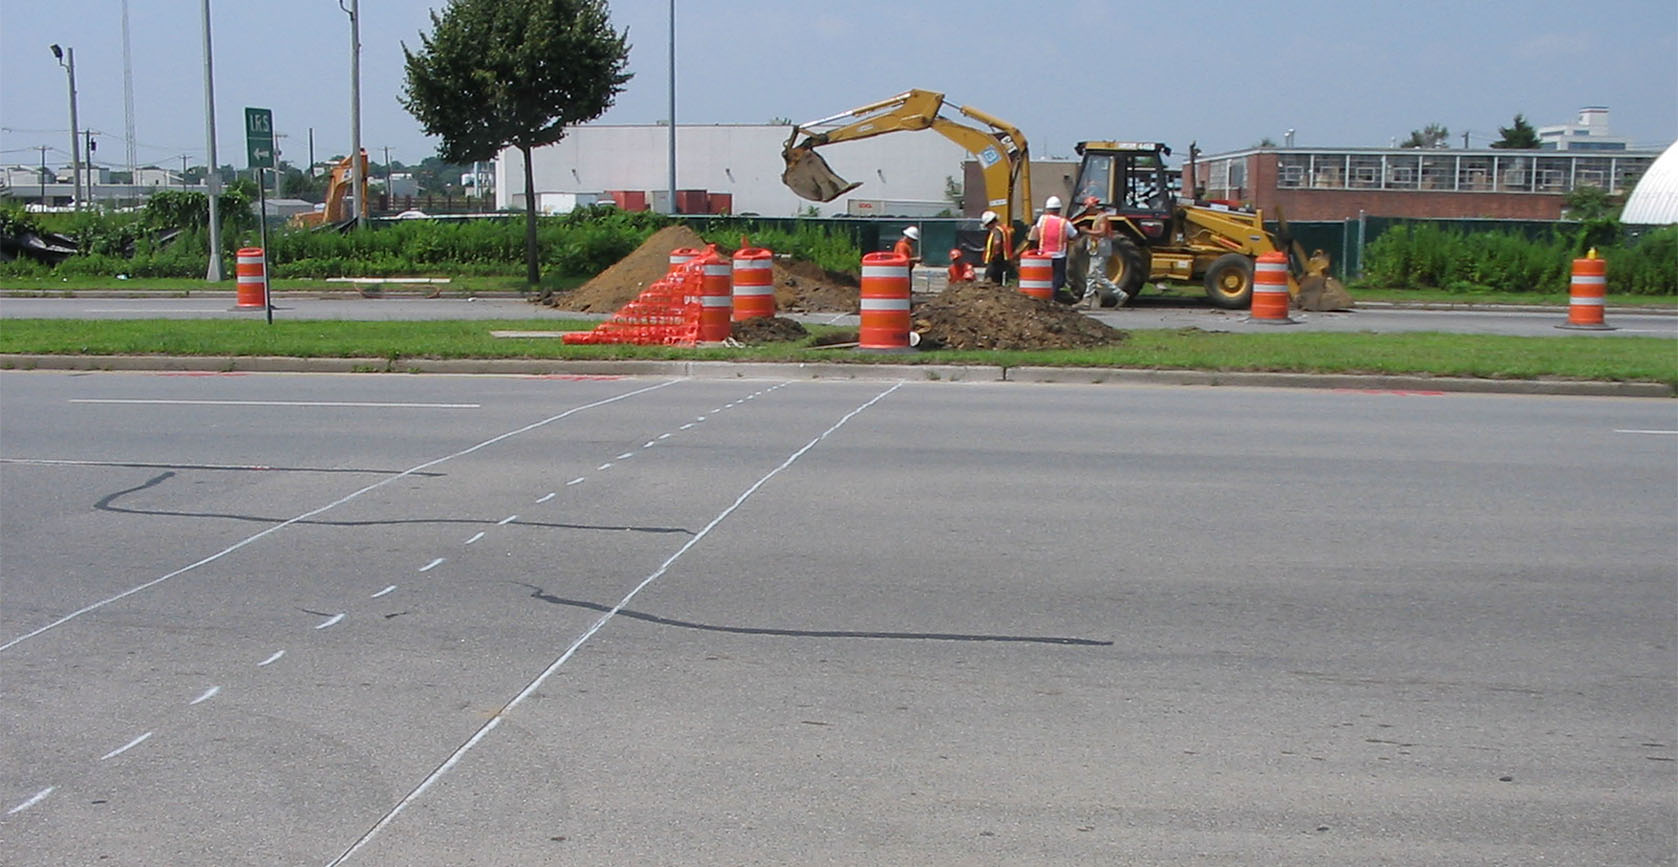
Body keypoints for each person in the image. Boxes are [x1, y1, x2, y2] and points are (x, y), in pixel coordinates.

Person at [1027, 195, 1078, 301]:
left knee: (1045, 277)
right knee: (1058, 278)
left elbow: (1036, 231)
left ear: (1047, 209)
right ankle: (1052, 296)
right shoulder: (1065, 223)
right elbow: (1075, 235)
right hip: (1059, 255)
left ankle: (1046, 296)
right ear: (1059, 209)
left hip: (1044, 255)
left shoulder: (1042, 219)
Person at [1077, 195, 1125, 307]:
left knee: (1098, 276)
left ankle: (1120, 295)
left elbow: (1102, 232)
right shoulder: (1099, 217)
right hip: (1098, 248)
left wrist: (1087, 232)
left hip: (1101, 248)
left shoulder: (1102, 217)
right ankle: (1086, 300)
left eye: (1089, 208)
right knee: (1091, 275)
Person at [978, 210, 1014, 285]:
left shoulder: (996, 230)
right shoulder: (1004, 228)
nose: (987, 228)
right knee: (998, 282)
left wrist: (995, 254)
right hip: (1004, 259)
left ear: (990, 223)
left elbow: (997, 242)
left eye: (987, 226)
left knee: (990, 281)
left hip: (996, 260)